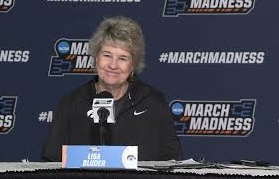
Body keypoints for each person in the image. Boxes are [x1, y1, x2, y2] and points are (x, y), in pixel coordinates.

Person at [42, 16, 182, 161]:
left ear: (133, 65)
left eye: (122, 58)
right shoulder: (71, 103)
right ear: (96, 58)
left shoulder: (154, 102)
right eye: (107, 55)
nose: (113, 65)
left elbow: (172, 162)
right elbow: (50, 162)